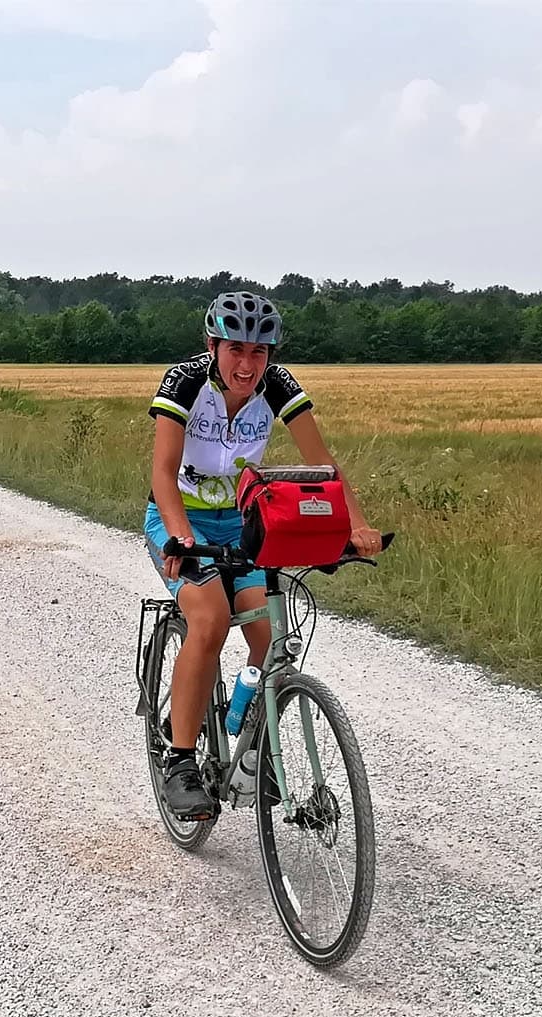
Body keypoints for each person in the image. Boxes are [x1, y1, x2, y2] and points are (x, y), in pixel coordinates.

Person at [145, 292, 382, 820]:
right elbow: (163, 472)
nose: (248, 364)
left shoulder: (277, 386)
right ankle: (180, 760)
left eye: (259, 352)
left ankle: (253, 742)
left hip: (244, 522)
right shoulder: (184, 381)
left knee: (269, 634)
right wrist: (180, 537)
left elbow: (323, 466)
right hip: (179, 517)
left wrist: (356, 524)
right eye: (235, 349)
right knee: (211, 619)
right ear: (213, 346)